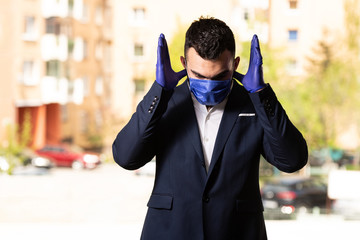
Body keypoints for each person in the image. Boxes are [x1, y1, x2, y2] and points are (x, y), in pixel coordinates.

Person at [112, 16, 308, 240]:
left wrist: (261, 95)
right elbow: (126, 157)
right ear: (184, 64)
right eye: (198, 75)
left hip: (237, 232)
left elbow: (292, 160)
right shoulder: (164, 104)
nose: (209, 84)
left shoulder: (254, 105)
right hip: (170, 231)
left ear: (234, 65)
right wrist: (160, 91)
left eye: (220, 76)